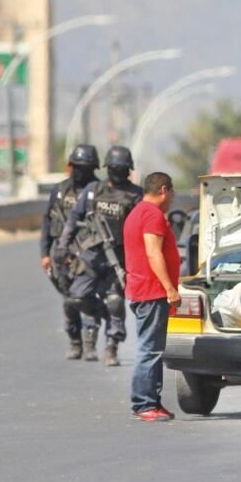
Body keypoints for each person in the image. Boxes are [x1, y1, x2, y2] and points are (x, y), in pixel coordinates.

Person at [55, 146, 143, 366]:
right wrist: (62, 246)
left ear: (128, 171)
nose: (118, 173)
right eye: (114, 168)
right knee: (76, 298)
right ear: (107, 168)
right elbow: (73, 220)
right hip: (90, 259)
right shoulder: (94, 190)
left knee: (115, 302)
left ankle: (111, 347)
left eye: (122, 169)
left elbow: (143, 230)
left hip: (118, 262)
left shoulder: (136, 195)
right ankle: (99, 311)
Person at [123, 171, 181, 421]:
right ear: (164, 190)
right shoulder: (152, 215)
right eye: (172, 194)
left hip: (143, 290)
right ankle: (144, 403)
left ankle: (152, 401)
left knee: (154, 349)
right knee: (149, 350)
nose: (172, 200)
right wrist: (169, 288)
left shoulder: (138, 212)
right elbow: (153, 252)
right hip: (151, 291)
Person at [40, 144, 100, 359]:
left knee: (86, 297)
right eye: (77, 166)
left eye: (85, 167)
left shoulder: (97, 190)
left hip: (89, 256)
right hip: (63, 255)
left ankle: (90, 343)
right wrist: (45, 253)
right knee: (69, 300)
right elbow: (48, 222)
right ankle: (75, 340)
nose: (80, 171)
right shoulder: (60, 191)